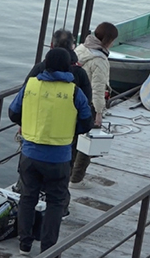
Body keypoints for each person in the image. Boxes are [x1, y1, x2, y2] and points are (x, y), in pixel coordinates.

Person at [8, 48, 92, 254]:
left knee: (28, 197)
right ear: (68, 66)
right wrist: (71, 131)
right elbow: (86, 121)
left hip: (30, 153)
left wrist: (29, 127)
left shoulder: (31, 85)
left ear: (45, 64)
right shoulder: (74, 91)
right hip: (59, 156)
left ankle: (24, 244)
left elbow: (13, 112)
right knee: (55, 201)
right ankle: (48, 247)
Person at [18, 29, 93, 214]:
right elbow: (87, 108)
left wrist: (24, 123)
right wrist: (76, 129)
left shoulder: (39, 70)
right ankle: (60, 211)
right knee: (60, 182)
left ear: (51, 45)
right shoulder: (80, 74)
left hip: (34, 135)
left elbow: (22, 99)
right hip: (64, 139)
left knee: (28, 186)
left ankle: (25, 230)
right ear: (73, 46)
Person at [70, 22, 119, 189]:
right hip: (88, 104)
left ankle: (67, 173)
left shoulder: (81, 49)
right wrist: (99, 112)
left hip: (71, 101)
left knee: (71, 140)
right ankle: (76, 179)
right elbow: (98, 89)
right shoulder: (100, 60)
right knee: (87, 143)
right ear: (108, 40)